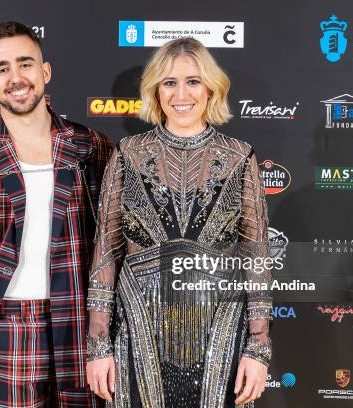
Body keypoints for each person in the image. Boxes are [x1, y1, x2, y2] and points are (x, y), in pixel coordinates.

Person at [0, 21, 111, 407]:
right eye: (2, 69)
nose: (16, 77)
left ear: (44, 72)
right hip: (6, 327)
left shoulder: (92, 146)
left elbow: (112, 244)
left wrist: (106, 324)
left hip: (80, 322)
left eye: (25, 64)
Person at [85, 37, 272, 408]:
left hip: (220, 330)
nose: (180, 93)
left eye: (193, 81)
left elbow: (256, 256)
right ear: (155, 90)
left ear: (211, 88)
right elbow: (106, 254)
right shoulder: (128, 155)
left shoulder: (239, 157)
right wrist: (98, 345)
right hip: (138, 330)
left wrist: (258, 347)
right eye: (169, 82)